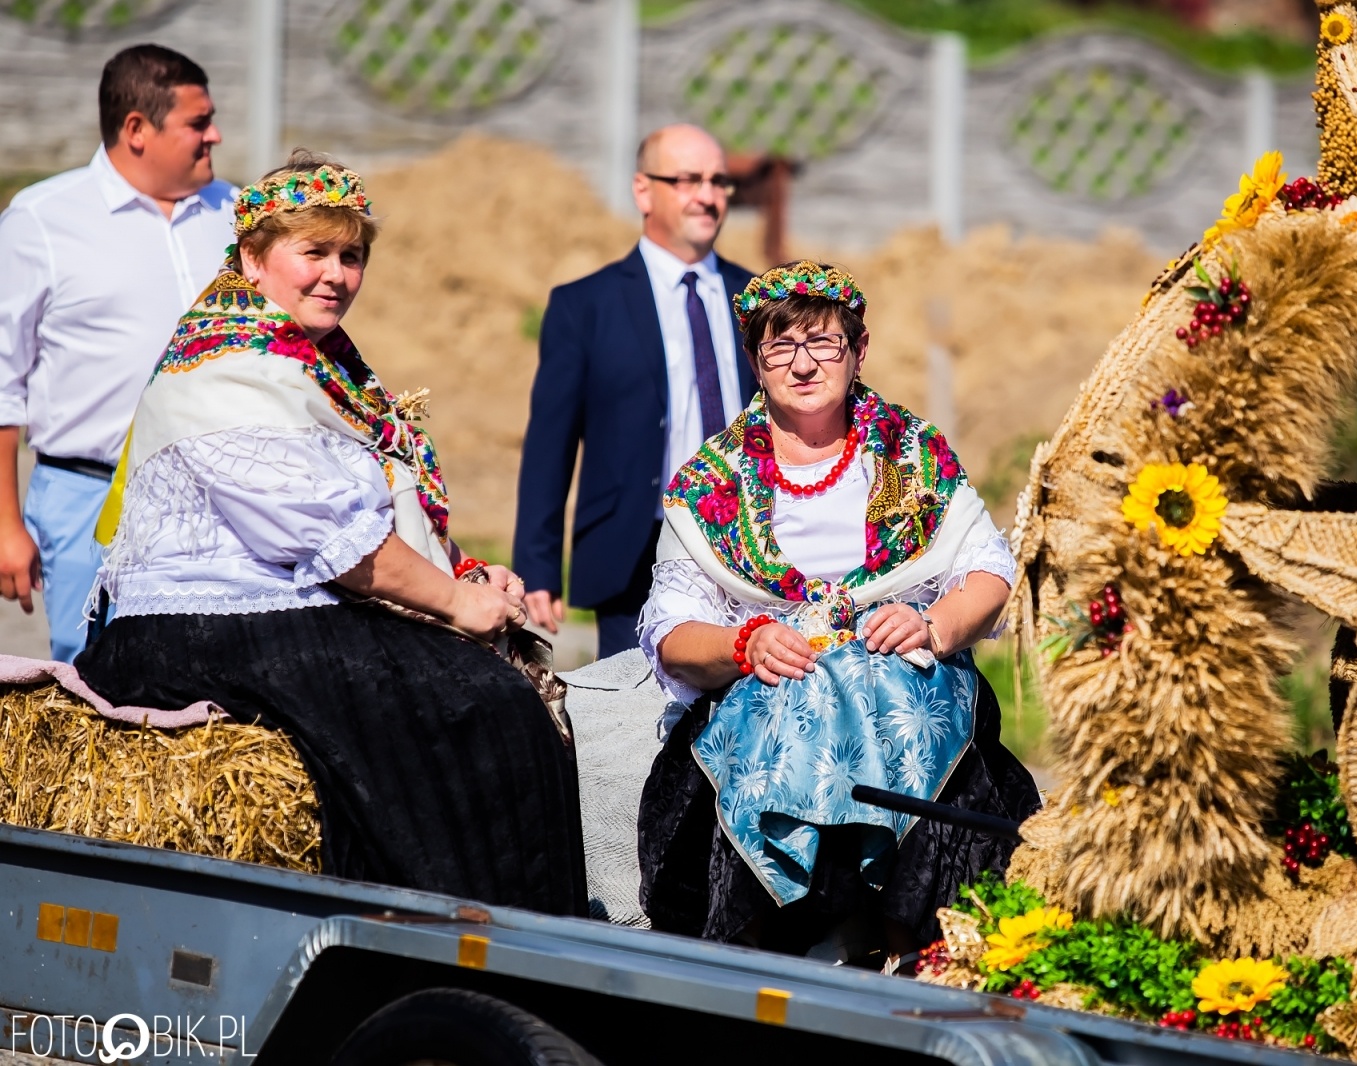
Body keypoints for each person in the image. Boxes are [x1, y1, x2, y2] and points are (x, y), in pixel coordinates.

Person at [74, 151, 587, 915]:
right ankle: (450, 927)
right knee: (477, 702)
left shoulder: (311, 364)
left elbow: (369, 517)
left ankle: (499, 926)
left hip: (278, 608)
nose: (337, 275)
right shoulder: (225, 366)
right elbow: (330, 539)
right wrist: (456, 604)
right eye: (313, 252)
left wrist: (465, 573)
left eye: (352, 256)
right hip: (200, 626)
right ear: (253, 258)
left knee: (495, 687)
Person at [636, 261, 1040, 958]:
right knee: (797, 693)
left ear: (859, 351)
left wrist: (933, 626)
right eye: (780, 347)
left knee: (889, 689)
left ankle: (907, 941)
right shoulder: (712, 481)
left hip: (906, 680)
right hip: (766, 697)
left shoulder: (913, 457)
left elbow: (990, 572)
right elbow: (672, 630)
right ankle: (760, 936)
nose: (803, 365)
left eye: (823, 342)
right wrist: (746, 645)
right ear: (756, 362)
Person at [0, 44, 235, 662]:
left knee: (218, 676)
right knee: (94, 678)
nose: (215, 135)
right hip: (87, 497)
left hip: (222, 500)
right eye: (198, 122)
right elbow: (2, 383)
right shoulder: (41, 220)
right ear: (136, 129)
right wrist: (4, 524)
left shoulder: (236, 215)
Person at [514, 124, 757, 659]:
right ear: (644, 190)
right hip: (633, 548)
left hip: (748, 539)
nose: (708, 196)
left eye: (718, 181)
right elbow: (551, 441)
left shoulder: (756, 299)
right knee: (634, 699)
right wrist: (537, 564)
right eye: (688, 179)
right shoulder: (586, 305)